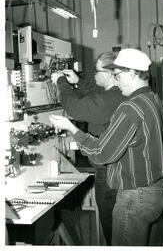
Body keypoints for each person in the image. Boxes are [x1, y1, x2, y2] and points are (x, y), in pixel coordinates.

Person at [49, 48, 163, 246]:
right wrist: (78, 81)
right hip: (158, 191)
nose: (116, 80)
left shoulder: (131, 108)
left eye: (118, 75)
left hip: (135, 196)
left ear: (131, 74)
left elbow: (101, 153)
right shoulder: (155, 100)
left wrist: (71, 128)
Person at [51, 51, 126, 245]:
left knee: (113, 231)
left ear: (111, 73)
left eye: (97, 70)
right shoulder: (114, 93)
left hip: (110, 174)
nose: (93, 74)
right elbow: (96, 92)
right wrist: (77, 81)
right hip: (115, 170)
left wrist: (61, 83)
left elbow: (75, 108)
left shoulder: (112, 99)